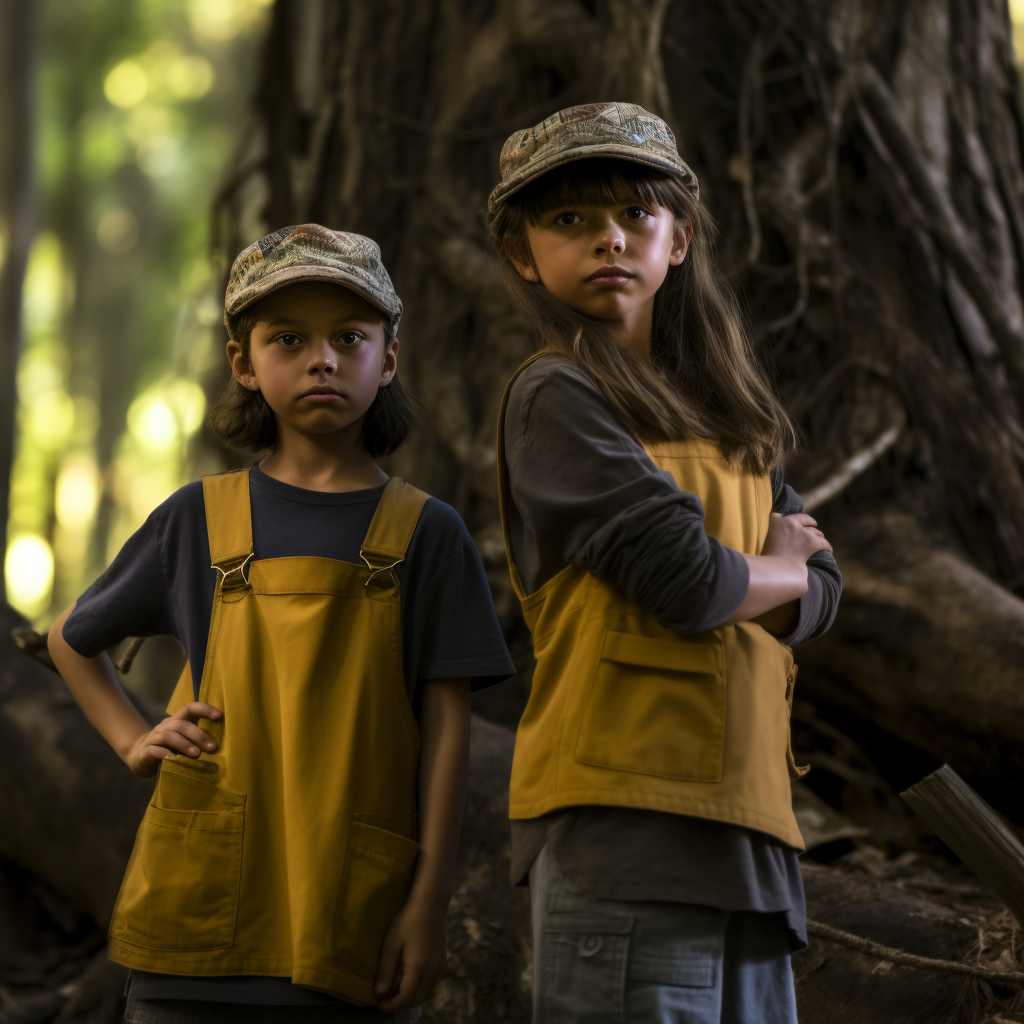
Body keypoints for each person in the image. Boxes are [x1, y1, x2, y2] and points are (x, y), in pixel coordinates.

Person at [47, 224, 515, 1024]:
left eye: (350, 338)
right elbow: (69, 636)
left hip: (349, 922)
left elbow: (446, 733)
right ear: (244, 363)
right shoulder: (200, 517)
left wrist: (428, 903)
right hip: (195, 923)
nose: (322, 359)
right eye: (289, 339)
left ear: (388, 359)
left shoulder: (426, 533)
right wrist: (134, 740)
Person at [487, 104, 842, 1023]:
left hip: (753, 839)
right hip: (626, 828)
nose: (608, 238)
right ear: (525, 255)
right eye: (570, 221)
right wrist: (781, 569)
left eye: (634, 216)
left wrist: (777, 577)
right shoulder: (556, 396)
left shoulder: (736, 420)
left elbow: (825, 591)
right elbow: (691, 583)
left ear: (678, 238)